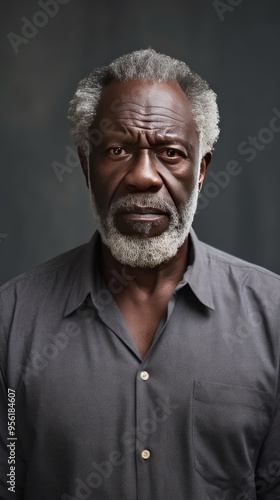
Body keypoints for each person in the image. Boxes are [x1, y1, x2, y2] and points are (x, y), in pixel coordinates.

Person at [0, 48, 279, 500]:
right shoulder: (11, 322)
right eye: (117, 150)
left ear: (202, 170)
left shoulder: (272, 319)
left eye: (170, 152)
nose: (144, 177)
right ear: (87, 166)